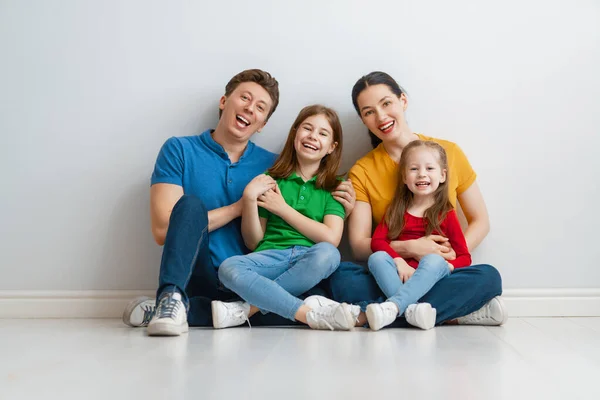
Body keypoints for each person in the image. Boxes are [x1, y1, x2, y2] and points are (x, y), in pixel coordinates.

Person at [121, 69, 354, 335]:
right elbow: (163, 230)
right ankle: (172, 298)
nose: (249, 109)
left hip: (256, 279)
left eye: (260, 107)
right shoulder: (180, 150)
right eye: (244, 98)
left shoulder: (275, 167)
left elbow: (313, 190)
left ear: (263, 123)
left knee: (323, 285)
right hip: (204, 273)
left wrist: (347, 204)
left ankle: (188, 310)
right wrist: (240, 206)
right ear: (224, 101)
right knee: (189, 206)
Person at [327, 71, 507, 328]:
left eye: (386, 103)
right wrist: (411, 248)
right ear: (363, 120)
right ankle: (449, 313)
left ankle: (385, 311)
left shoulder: (449, 153)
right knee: (342, 276)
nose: (380, 117)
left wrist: (443, 258)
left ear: (403, 101)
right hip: (394, 270)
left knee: (489, 277)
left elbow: (480, 221)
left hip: (441, 271)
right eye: (368, 112)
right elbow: (358, 245)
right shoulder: (363, 171)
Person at [213, 105, 359, 331]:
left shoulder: (335, 187)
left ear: (332, 147)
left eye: (322, 133)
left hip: (308, 260)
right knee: (228, 267)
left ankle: (247, 309)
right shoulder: (271, 179)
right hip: (269, 258)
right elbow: (253, 242)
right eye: (307, 129)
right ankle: (310, 315)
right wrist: (250, 198)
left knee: (329, 254)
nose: (312, 136)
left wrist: (282, 208)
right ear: (295, 134)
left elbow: (331, 238)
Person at [365, 140, 472, 331]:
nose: (422, 173)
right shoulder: (395, 210)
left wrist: (445, 266)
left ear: (442, 175)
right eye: (414, 169)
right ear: (404, 177)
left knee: (435, 261)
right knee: (376, 258)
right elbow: (377, 241)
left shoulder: (446, 214)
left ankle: (393, 307)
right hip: (399, 277)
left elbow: (464, 257)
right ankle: (413, 311)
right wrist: (399, 261)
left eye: (430, 168)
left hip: (432, 280)